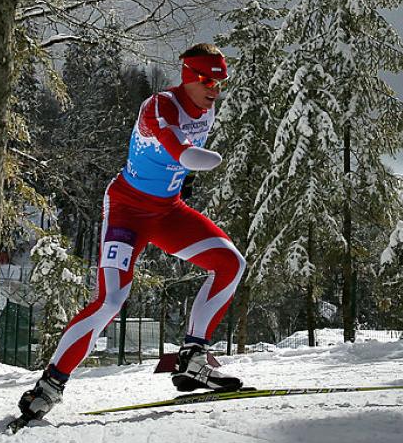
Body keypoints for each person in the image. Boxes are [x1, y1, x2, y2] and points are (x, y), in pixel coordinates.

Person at [18, 43, 247, 422]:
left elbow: (173, 160)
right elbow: (175, 145)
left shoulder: (206, 108)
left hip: (169, 211)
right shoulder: (159, 105)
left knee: (230, 263)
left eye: (220, 82)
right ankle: (49, 385)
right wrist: (188, 162)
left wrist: (182, 181)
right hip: (127, 212)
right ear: (188, 76)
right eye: (207, 80)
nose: (214, 89)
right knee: (111, 300)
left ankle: (192, 357)